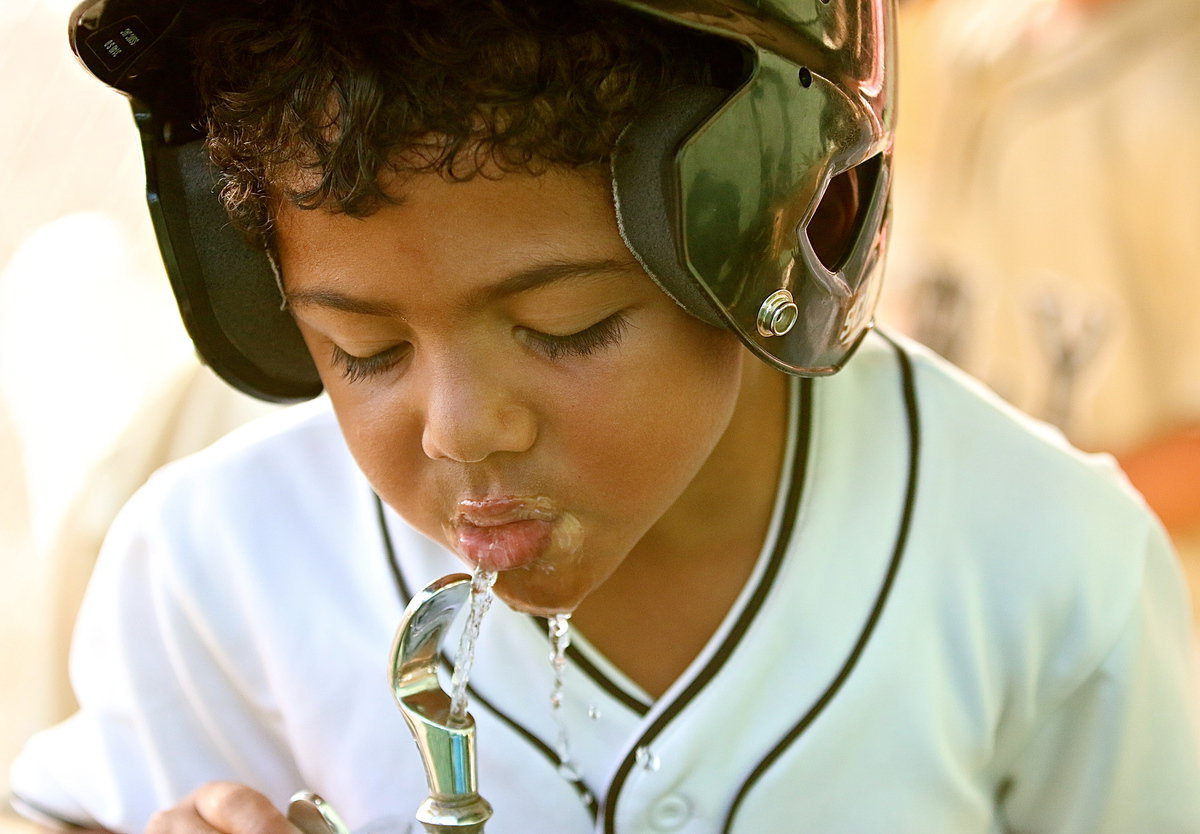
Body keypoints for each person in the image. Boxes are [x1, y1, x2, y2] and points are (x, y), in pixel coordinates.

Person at [9, 1, 1200, 832]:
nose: (461, 431)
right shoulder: (215, 567)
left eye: (566, 325)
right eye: (364, 350)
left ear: (778, 229)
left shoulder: (1050, 570)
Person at [882, 0, 1200, 615]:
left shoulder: (1179, 90)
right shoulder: (970, 36)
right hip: (972, 607)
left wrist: (1011, 519)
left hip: (1134, 634)